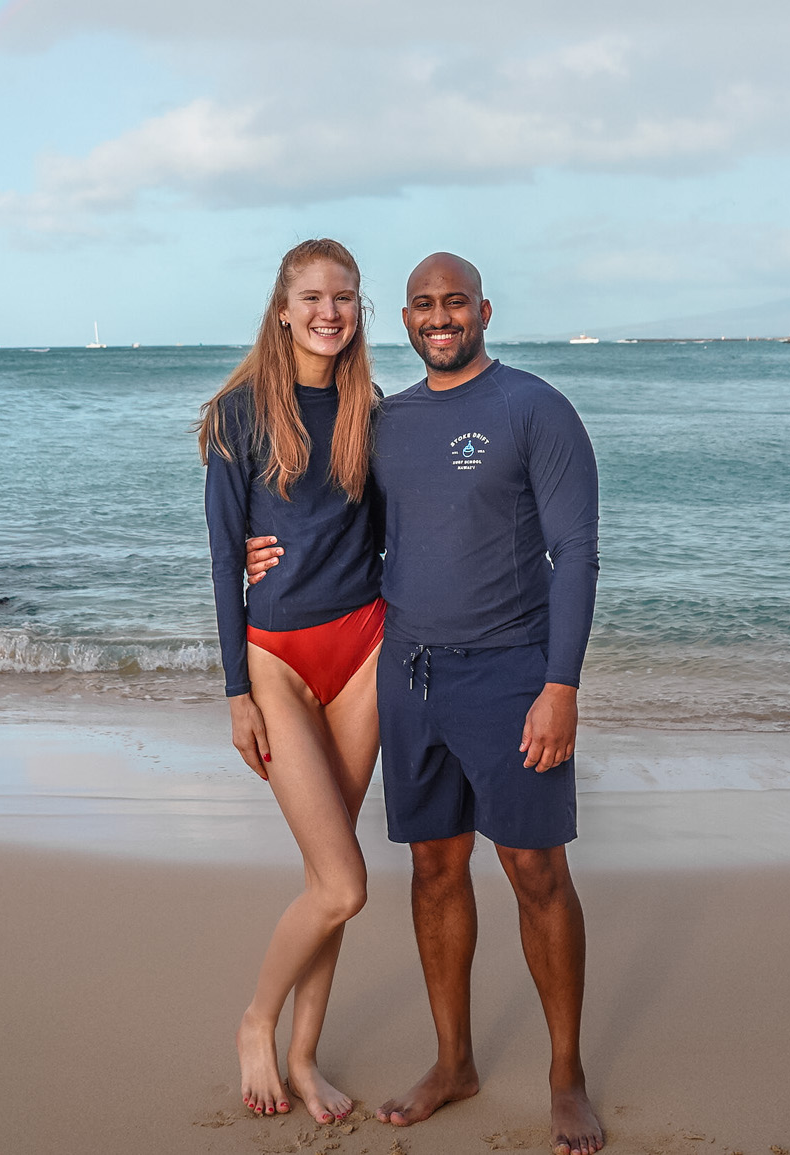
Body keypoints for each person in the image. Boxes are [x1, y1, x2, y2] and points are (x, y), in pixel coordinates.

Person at [258, 252, 603, 1152]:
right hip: (407, 675)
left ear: (484, 308)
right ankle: (455, 1061)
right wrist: (265, 553)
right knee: (435, 869)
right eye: (423, 304)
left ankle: (566, 1072)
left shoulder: (535, 408)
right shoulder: (386, 421)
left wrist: (559, 684)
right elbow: (336, 525)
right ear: (403, 318)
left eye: (455, 302)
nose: (439, 316)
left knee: (536, 873)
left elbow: (577, 553)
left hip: (511, 675)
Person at [200, 237, 385, 1125]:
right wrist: (236, 689)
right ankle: (256, 1021)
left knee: (329, 872)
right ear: (281, 307)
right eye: (311, 295)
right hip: (277, 660)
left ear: (359, 309)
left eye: (343, 297)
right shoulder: (236, 414)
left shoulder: (370, 408)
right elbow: (218, 559)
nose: (328, 310)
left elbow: (407, 528)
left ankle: (305, 1058)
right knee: (343, 884)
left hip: (365, 653)